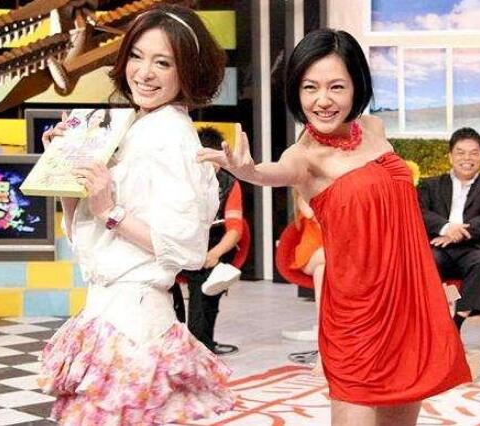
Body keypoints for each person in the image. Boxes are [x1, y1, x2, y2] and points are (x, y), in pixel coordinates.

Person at [197, 28, 471, 425]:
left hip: (408, 298)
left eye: (336, 87)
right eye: (310, 87)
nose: (322, 100)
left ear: (357, 87)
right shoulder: (304, 157)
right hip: (356, 310)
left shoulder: (374, 129)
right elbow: (273, 172)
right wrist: (248, 171)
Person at [37, 5, 235, 424]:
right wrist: (66, 167)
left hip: (134, 323)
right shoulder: (134, 127)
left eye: (163, 62)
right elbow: (88, 234)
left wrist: (110, 210)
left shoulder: (171, 137)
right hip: (107, 314)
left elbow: (185, 248)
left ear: (187, 70)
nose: (144, 73)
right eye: (137, 56)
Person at [418, 127, 480, 332]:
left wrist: (457, 234)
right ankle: (430, 317)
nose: (467, 158)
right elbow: (419, 212)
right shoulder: (430, 185)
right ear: (450, 156)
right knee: (426, 260)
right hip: (439, 247)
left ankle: (456, 323)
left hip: (475, 247)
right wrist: (446, 228)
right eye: (460, 152)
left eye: (473, 153)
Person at [172, 126, 244, 356]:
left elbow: (235, 230)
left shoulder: (230, 184)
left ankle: (201, 346)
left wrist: (214, 254)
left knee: (206, 285)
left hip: (215, 246)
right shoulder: (178, 181)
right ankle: (178, 343)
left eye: (215, 159)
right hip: (180, 243)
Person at [283, 189, 325, 375]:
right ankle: (323, 357)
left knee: (323, 272)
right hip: (312, 252)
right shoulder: (303, 193)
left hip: (327, 258)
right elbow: (315, 216)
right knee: (332, 257)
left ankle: (324, 357)